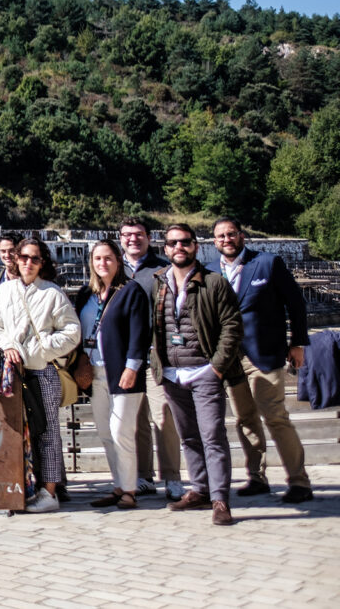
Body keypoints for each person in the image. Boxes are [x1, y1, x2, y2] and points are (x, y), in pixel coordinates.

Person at [208, 216, 313, 503]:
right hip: (229, 358)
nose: (226, 240)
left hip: (265, 354)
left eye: (231, 234)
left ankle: (299, 481)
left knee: (275, 417)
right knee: (244, 419)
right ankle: (257, 477)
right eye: (221, 236)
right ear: (214, 241)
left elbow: (295, 303)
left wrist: (298, 343)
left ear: (242, 236)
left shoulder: (267, 263)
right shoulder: (208, 272)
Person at [150, 224, 243, 526]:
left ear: (195, 247)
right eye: (173, 243)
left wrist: (216, 367)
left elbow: (232, 327)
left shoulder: (214, 282)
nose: (179, 247)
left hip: (204, 371)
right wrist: (158, 367)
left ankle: (220, 499)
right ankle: (200, 490)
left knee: (212, 436)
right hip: (173, 374)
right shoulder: (158, 282)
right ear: (165, 249)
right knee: (189, 437)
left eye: (185, 242)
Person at [0, 237, 81, 513]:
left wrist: (44, 348)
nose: (29, 263)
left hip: (42, 371)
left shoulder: (52, 293)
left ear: (43, 263)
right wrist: (8, 346)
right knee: (16, 430)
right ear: (16, 259)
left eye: (35, 258)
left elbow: (72, 332)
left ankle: (50, 492)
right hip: (13, 372)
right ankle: (21, 487)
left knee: (48, 431)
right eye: (24, 257)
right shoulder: (5, 291)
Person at [74, 240, 151, 510]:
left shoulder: (132, 291)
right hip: (94, 372)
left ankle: (129, 489)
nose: (102, 263)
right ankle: (118, 485)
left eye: (108, 258)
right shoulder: (86, 294)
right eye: (97, 259)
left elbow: (140, 333)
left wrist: (132, 367)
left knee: (122, 432)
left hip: (122, 372)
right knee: (105, 433)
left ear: (118, 261)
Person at [120, 217, 183, 501]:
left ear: (148, 237)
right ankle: (143, 476)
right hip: (123, 358)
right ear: (120, 238)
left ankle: (172, 477)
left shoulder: (163, 268)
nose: (133, 239)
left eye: (139, 234)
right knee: (135, 419)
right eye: (127, 235)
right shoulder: (111, 266)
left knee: (163, 416)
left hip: (156, 355)